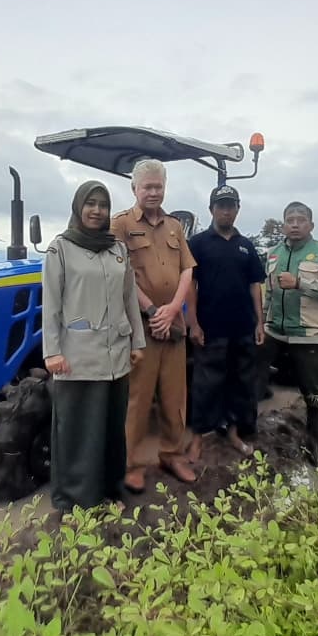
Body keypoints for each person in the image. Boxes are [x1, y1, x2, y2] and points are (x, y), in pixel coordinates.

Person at [41, 181, 146, 514]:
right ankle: (75, 502)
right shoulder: (60, 249)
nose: (97, 210)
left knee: (111, 428)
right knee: (78, 431)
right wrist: (52, 352)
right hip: (77, 357)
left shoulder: (117, 250)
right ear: (78, 207)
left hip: (116, 355)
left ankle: (109, 491)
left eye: (103, 204)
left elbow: (129, 298)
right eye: (90, 203)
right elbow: (51, 304)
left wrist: (137, 342)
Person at [110, 158, 198, 491]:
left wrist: (172, 309)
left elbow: (187, 269)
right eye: (147, 186)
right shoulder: (120, 225)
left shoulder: (175, 226)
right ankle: (130, 464)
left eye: (158, 186)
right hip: (140, 328)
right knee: (138, 397)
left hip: (172, 326)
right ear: (134, 188)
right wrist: (151, 310)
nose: (153, 192)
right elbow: (120, 273)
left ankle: (172, 454)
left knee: (175, 396)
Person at [258, 201, 318, 465]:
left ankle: (314, 449)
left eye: (300, 220)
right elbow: (269, 293)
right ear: (283, 225)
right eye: (290, 220)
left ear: (311, 225)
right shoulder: (273, 253)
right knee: (251, 378)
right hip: (274, 331)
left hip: (308, 333)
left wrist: (299, 283)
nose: (295, 225)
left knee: (314, 394)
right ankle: (253, 439)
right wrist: (261, 322)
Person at [186, 184, 266, 457]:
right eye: (221, 206)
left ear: (237, 209)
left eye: (231, 206)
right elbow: (190, 284)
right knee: (206, 385)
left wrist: (259, 322)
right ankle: (197, 438)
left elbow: (255, 285)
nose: (226, 211)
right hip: (210, 328)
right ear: (212, 209)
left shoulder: (246, 246)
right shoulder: (197, 243)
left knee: (241, 383)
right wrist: (193, 322)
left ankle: (233, 432)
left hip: (242, 327)